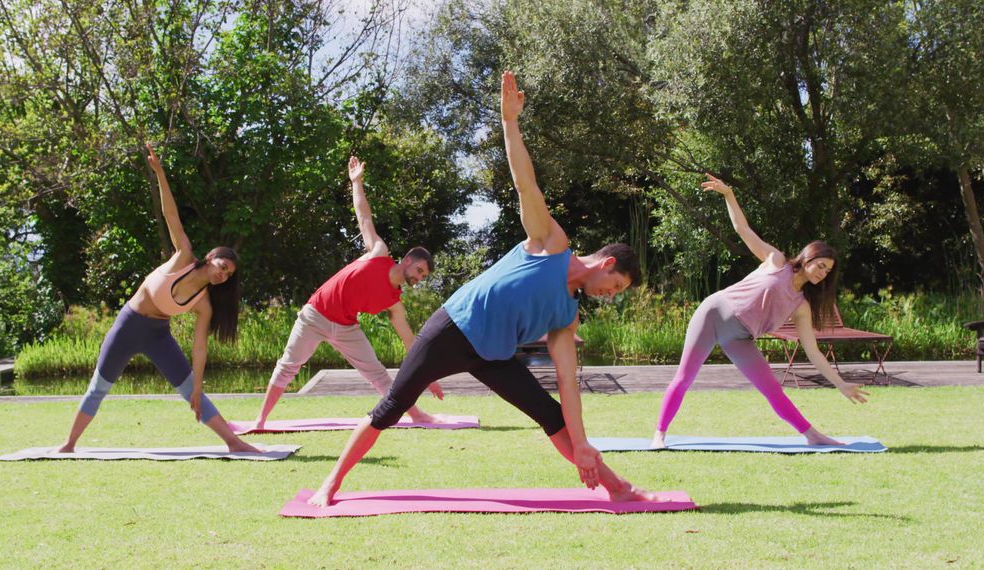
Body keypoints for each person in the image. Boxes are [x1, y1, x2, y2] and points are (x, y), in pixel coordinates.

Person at [308, 72, 657, 507]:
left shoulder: (567, 316)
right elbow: (525, 185)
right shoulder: (552, 245)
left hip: (493, 354)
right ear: (606, 264)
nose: (611, 293)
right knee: (393, 406)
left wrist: (582, 443)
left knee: (550, 415)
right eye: (616, 285)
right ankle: (330, 486)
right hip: (452, 328)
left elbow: (567, 381)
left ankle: (619, 488)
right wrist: (510, 122)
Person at [57, 144, 259, 453]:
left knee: (191, 390)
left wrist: (199, 385)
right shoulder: (183, 257)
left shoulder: (204, 302)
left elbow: (200, 346)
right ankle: (69, 444)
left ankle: (233, 442)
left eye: (228, 274)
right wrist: (161, 174)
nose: (223, 275)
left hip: (157, 335)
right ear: (209, 259)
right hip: (128, 325)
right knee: (99, 387)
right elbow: (170, 215)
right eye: (222, 267)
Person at [651, 174, 870, 449]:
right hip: (713, 314)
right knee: (684, 377)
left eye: (827, 271)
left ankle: (812, 435)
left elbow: (813, 352)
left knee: (773, 390)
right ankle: (659, 434)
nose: (823, 274)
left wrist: (840, 384)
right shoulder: (776, 261)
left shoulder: (801, 306)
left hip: (740, 337)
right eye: (820, 265)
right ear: (808, 258)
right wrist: (729, 194)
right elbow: (742, 229)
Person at [252, 155, 443, 428]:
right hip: (315, 315)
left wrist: (428, 377)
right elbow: (363, 216)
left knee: (377, 373)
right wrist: (356, 182)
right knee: (287, 366)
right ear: (409, 260)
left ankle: (416, 415)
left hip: (345, 327)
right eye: (420, 271)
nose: (420, 278)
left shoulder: (395, 301)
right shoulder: (379, 253)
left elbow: (410, 343)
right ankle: (260, 420)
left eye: (423, 276)